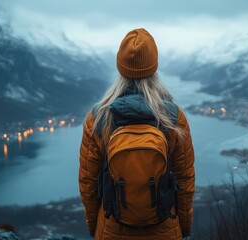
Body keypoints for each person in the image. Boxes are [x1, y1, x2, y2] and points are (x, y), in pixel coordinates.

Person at [79, 28, 195, 239]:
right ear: (154, 67)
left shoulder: (99, 118)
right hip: (165, 231)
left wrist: (95, 228)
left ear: (120, 67)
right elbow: (185, 181)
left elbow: (88, 185)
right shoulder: (172, 118)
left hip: (112, 230)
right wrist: (183, 228)